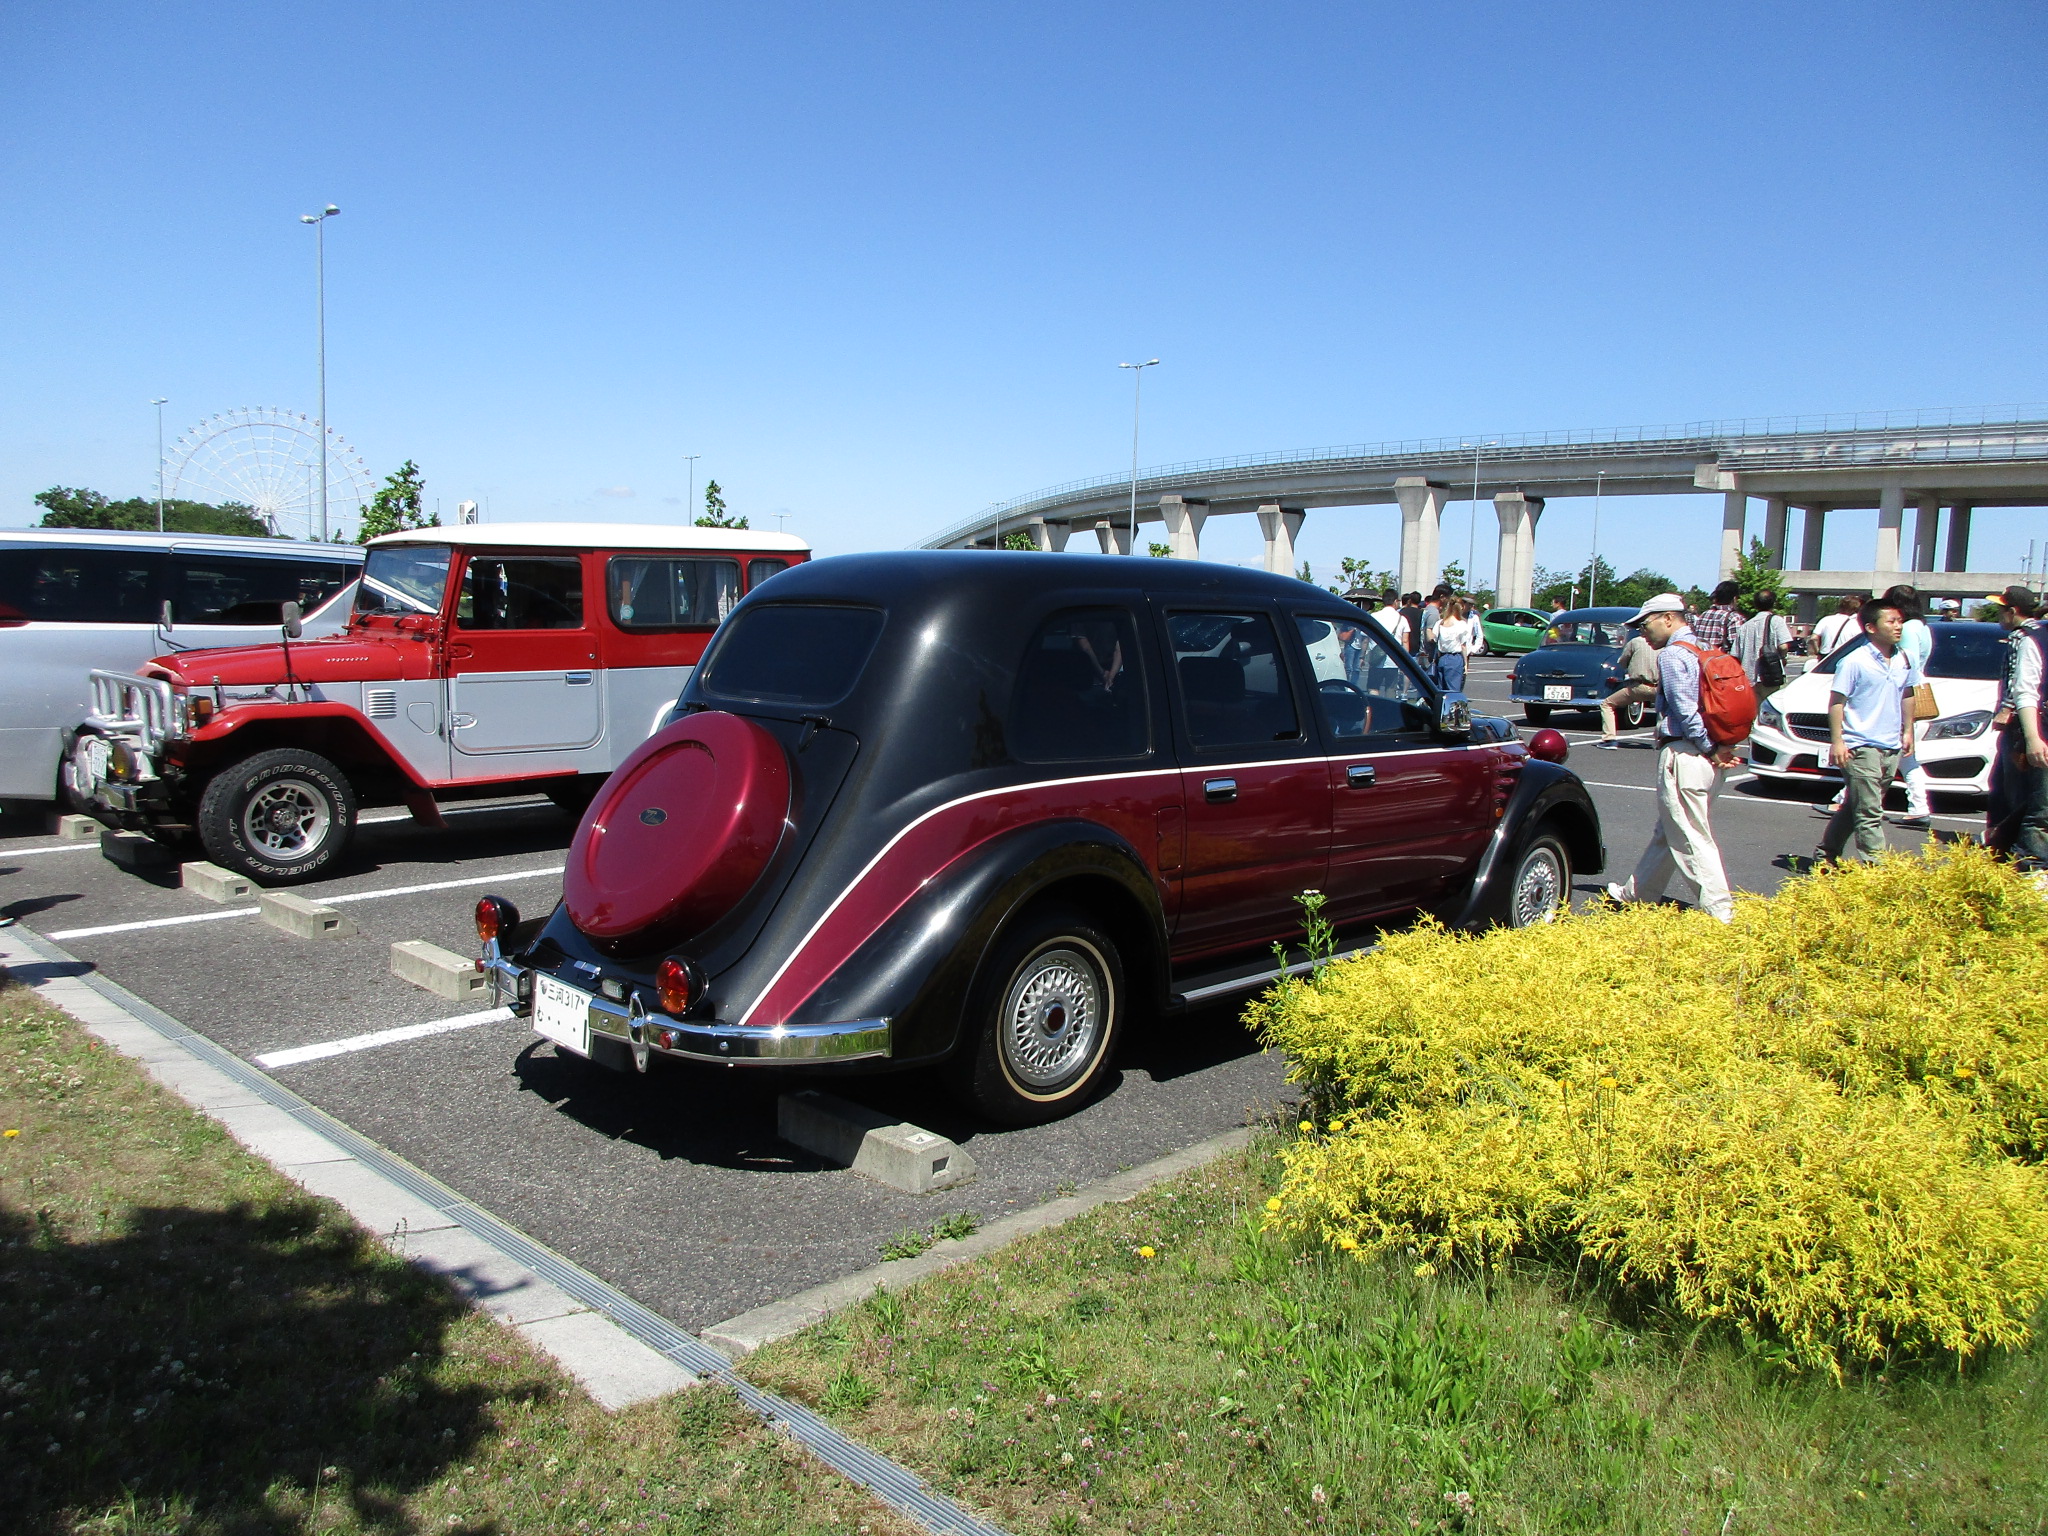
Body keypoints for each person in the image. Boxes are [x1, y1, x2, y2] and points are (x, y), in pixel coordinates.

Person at [1604, 593, 1740, 923]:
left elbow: (1684, 710)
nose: (1641, 632)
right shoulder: (1705, 649)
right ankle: (1637, 894)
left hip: (1685, 752)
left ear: (1668, 618)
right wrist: (1719, 747)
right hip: (1707, 756)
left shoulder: (1672, 655)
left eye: (1645, 624)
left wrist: (1708, 747)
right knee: (1670, 829)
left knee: (1691, 835)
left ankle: (1720, 912)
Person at [1816, 597, 1912, 865]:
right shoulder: (1854, 661)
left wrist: (1908, 730)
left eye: (1900, 621)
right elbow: (1837, 703)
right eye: (1891, 621)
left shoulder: (1903, 658)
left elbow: (1908, 693)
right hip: (1860, 745)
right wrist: (1838, 742)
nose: (1898, 626)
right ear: (1871, 627)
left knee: (1857, 805)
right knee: (1870, 811)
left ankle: (1826, 854)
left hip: (1890, 744)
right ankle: (1876, 868)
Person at [1986, 585, 2048, 868]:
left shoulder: (2024, 638)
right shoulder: (2040, 634)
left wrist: (2008, 711)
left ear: (2012, 612)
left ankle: (2023, 859)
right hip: (2034, 724)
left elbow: (2020, 687)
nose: (2000, 615)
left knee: (2024, 799)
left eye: (2001, 610)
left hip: (2029, 728)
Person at [1883, 584, 1934, 829]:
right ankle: (1918, 807)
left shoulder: (1908, 629)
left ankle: (1847, 801)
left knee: (1888, 752)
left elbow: (1907, 665)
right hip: (1910, 691)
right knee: (1902, 756)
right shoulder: (1921, 626)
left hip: (1902, 695)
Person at [1597, 623, 1660, 749]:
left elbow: (1622, 662)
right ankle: (1662, 739)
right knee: (1664, 710)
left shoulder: (1635, 642)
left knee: (1607, 704)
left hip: (1638, 686)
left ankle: (1609, 739)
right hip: (1659, 687)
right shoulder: (1663, 644)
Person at [1733, 589, 1794, 691]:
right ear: (1773, 603)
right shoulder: (1777, 621)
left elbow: (1735, 654)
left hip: (1748, 677)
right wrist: (1783, 658)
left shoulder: (1745, 626)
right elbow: (1783, 646)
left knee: (1754, 706)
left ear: (1755, 604)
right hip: (1770, 676)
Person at [1434, 597, 1475, 693]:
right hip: (1454, 658)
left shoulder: (1440, 623)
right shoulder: (1460, 624)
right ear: (1459, 608)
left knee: (1441, 689)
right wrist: (1465, 663)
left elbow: (1434, 638)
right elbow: (1463, 645)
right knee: (1453, 689)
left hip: (1442, 658)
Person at [1692, 579, 1742, 654]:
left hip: (1701, 660)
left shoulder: (1704, 615)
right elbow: (1737, 647)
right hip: (1721, 662)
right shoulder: (1734, 618)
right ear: (1734, 599)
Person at [1810, 595, 1860, 660]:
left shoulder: (1826, 620)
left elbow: (1813, 638)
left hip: (1826, 657)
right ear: (1855, 609)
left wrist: (1818, 652)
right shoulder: (1857, 624)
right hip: (1846, 657)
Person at [1399, 592, 1426, 658]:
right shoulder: (1422, 613)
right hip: (1416, 645)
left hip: (1404, 643)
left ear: (1409, 600)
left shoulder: (1402, 612)